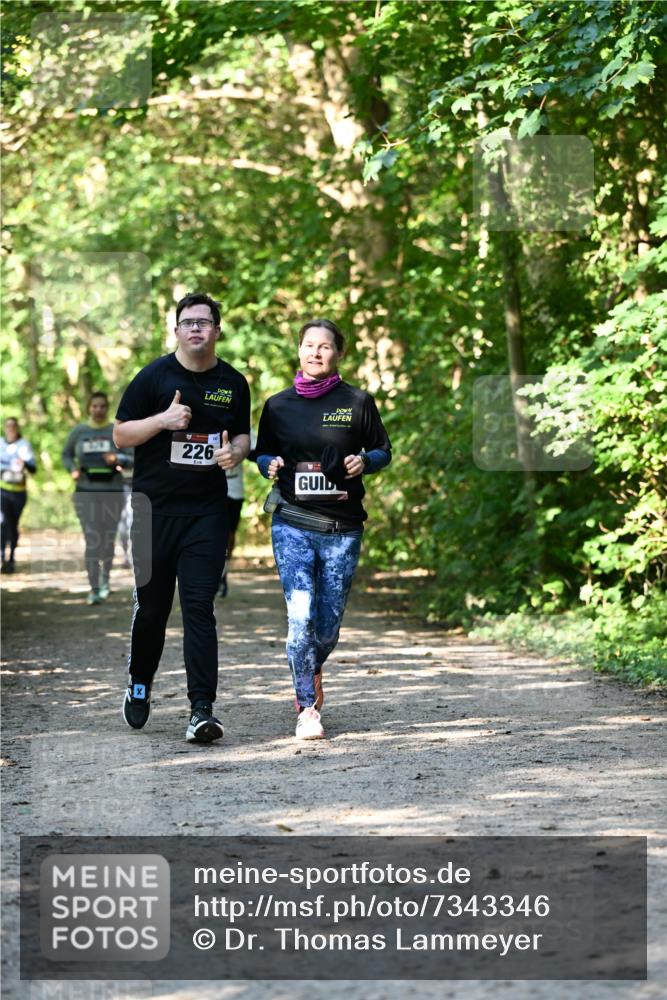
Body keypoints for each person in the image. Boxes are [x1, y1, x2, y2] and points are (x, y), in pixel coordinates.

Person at [114, 292, 250, 744]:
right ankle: (139, 682)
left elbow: (245, 436)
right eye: (188, 322)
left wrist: (236, 452)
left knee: (199, 607)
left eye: (204, 322)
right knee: (153, 609)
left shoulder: (233, 383)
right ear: (176, 330)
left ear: (217, 330)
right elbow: (120, 434)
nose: (196, 329)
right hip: (154, 513)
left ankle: (201, 710)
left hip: (206, 513)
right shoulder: (153, 377)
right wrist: (163, 420)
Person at [254, 318, 391, 740]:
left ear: (338, 354)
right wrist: (268, 465)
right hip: (293, 522)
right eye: (308, 345)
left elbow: (383, 450)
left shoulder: (358, 401)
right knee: (300, 620)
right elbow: (261, 454)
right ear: (298, 350)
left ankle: (311, 667)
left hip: (343, 527)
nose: (315, 352)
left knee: (327, 626)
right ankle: (306, 709)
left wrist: (364, 461)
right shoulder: (277, 406)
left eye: (325, 346)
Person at [62, 393, 131, 604]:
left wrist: (118, 458)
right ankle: (93, 588)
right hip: (85, 491)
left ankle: (105, 580)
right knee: (92, 538)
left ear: (107, 408)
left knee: (107, 539)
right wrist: (72, 469)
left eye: (102, 406)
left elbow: (134, 458)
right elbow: (66, 454)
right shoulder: (79, 432)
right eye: (94, 406)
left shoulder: (116, 431)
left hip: (112, 491)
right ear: (88, 408)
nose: (98, 410)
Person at [218, 430, 255, 598]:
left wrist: (238, 450)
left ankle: (223, 572)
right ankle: (211, 573)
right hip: (206, 489)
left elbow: (255, 452)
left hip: (233, 490)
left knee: (229, 535)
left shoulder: (241, 426)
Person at [0, 418, 37, 573]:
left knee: (12, 524)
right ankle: (1, 556)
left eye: (13, 426)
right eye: (8, 426)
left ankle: (12, 558)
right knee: (2, 522)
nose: (11, 429)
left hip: (19, 492)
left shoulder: (24, 445)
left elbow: (34, 469)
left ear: (17, 428)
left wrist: (25, 464)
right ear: (4, 428)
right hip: (2, 490)